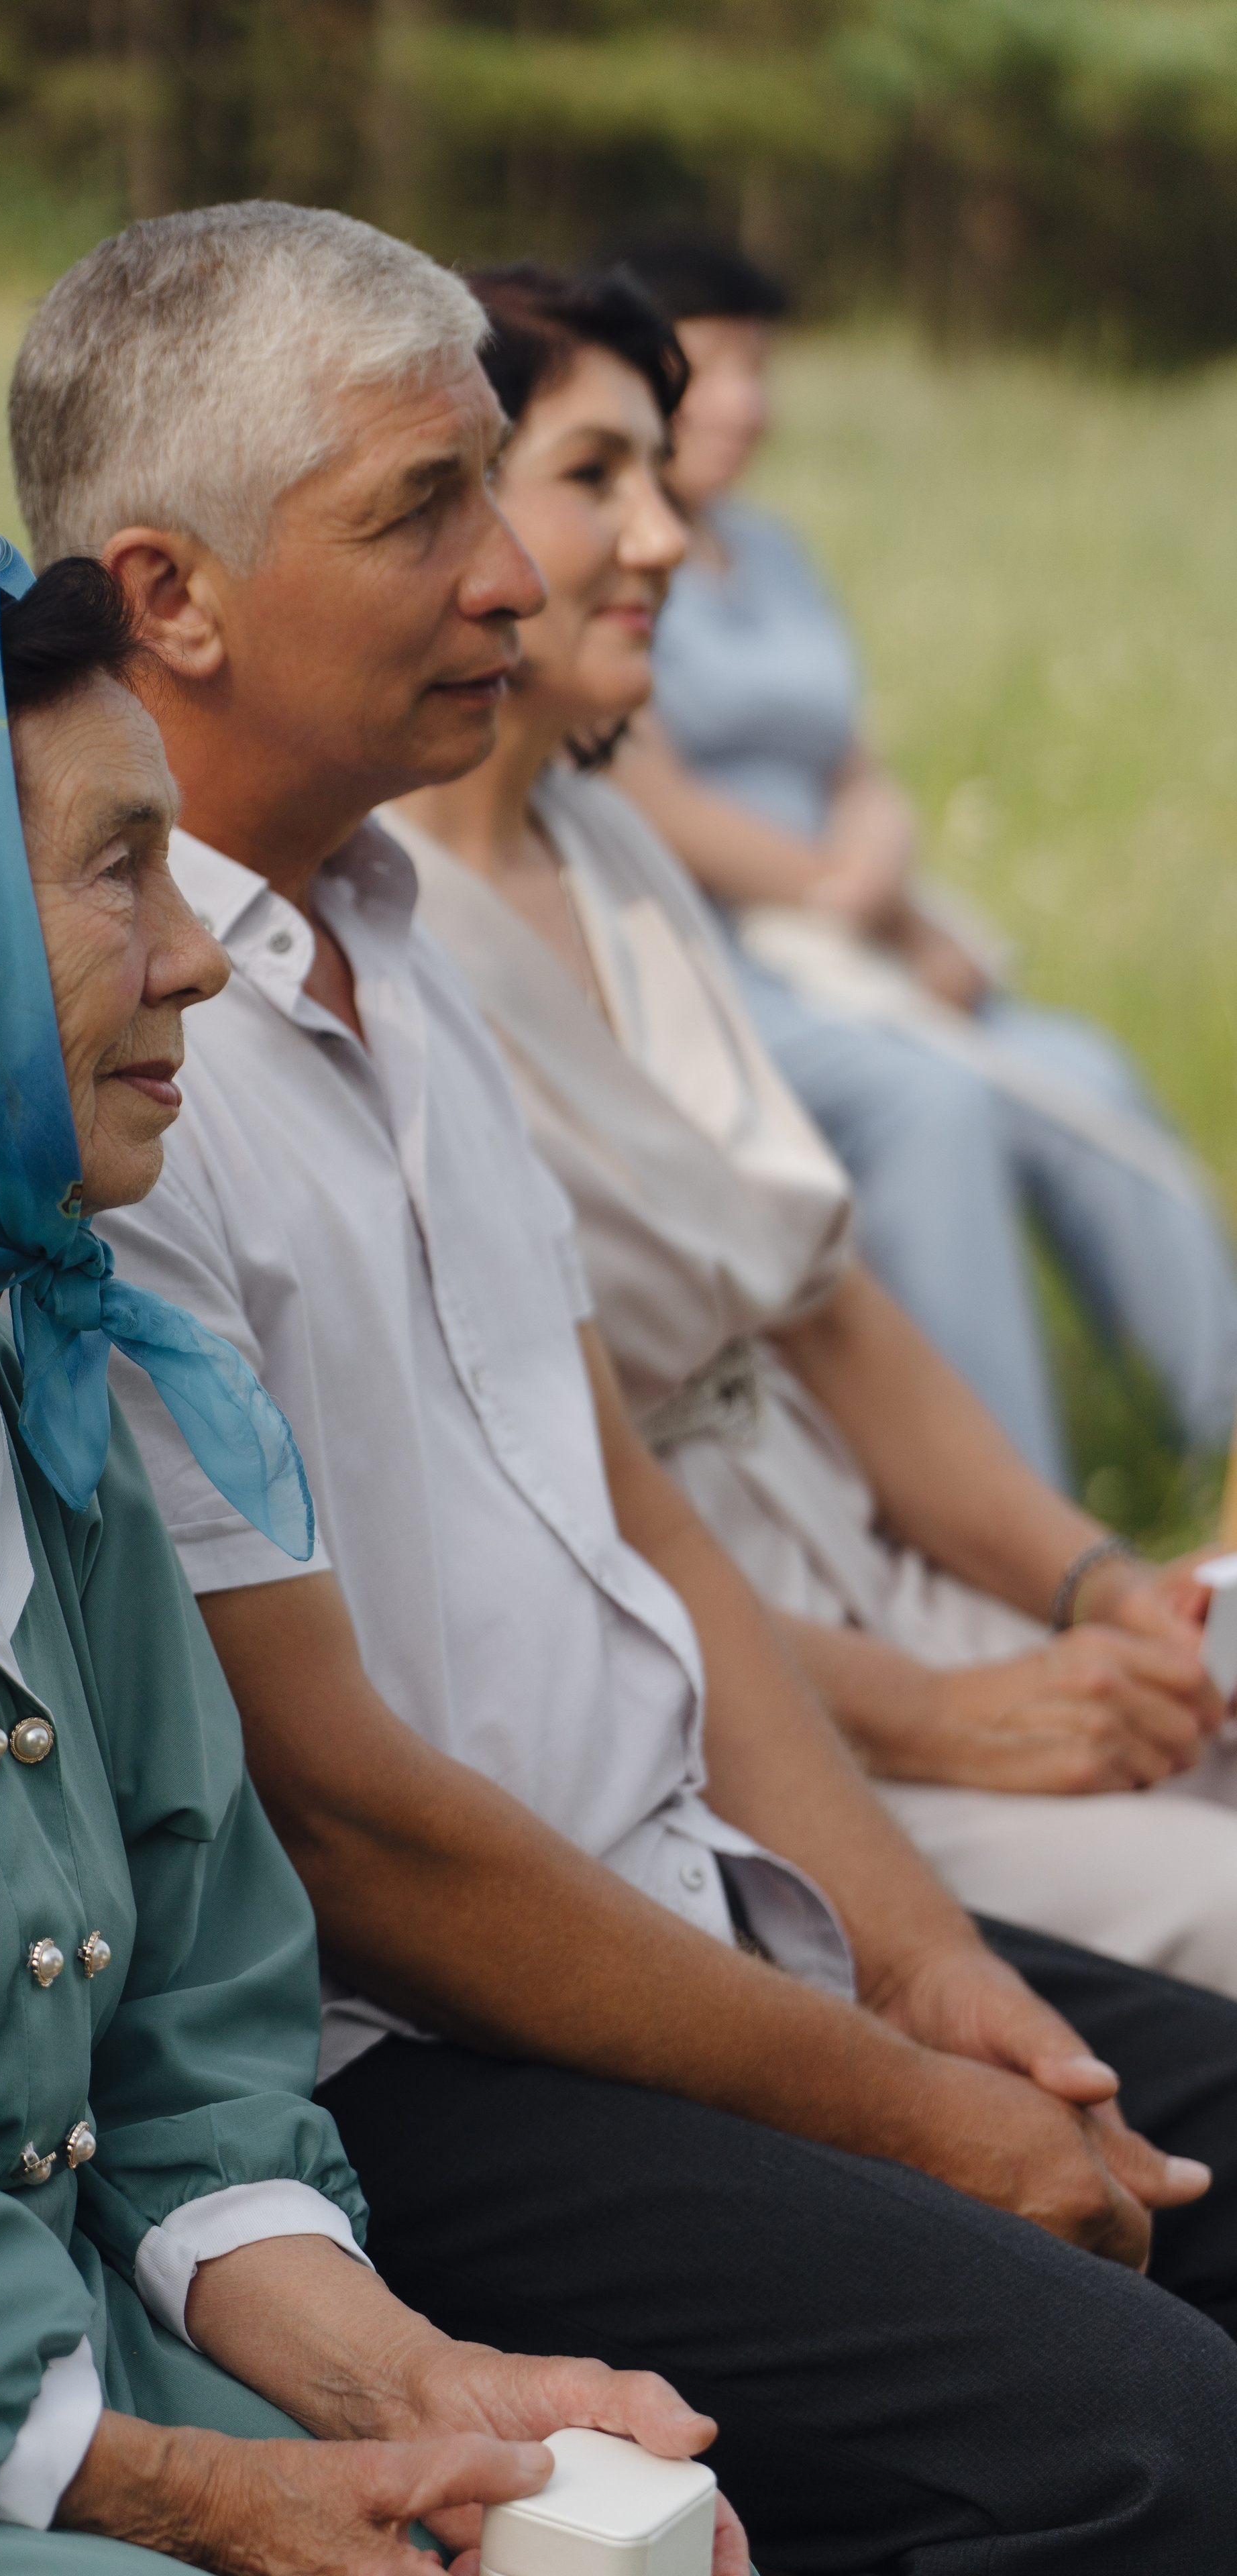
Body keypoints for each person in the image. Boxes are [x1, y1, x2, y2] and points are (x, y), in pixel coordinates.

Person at [10, 199, 1237, 2573]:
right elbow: (353, 1839)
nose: (523, 574)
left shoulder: (390, 923)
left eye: (506, 489)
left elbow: (638, 1514)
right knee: (1145, 2449)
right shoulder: (116, 1059)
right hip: (426, 2067)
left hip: (704, 1913)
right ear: (171, 594)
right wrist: (896, 2098)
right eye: (426, 509)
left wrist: (934, 1968)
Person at [0, 536, 747, 2576]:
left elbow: (186, 2035)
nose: (194, 957)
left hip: (12, 2385)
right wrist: (223, 2496)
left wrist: (409, 2387)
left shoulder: (20, 1332)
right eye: (118, 871)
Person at [384, 260, 1237, 1998]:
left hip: (865, 1564)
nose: (671, 540)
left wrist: (1091, 1592)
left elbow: (833, 1312)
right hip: (715, 1693)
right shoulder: (370, 943)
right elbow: (528, 1548)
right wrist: (957, 1717)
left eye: (668, 480)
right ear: (450, 508)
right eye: (599, 474)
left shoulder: (612, 854)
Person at [605, 230, 1237, 1490]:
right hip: (719, 963)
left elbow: (858, 765)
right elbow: (651, 796)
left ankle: (1221, 1426)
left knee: (1084, 1073)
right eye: (713, 367)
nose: (746, 402)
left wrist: (885, 898)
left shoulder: (774, 553)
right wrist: (839, 897)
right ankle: (1022, 1524)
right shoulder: (616, 563)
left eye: (762, 369)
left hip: (856, 932)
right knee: (931, 1105)